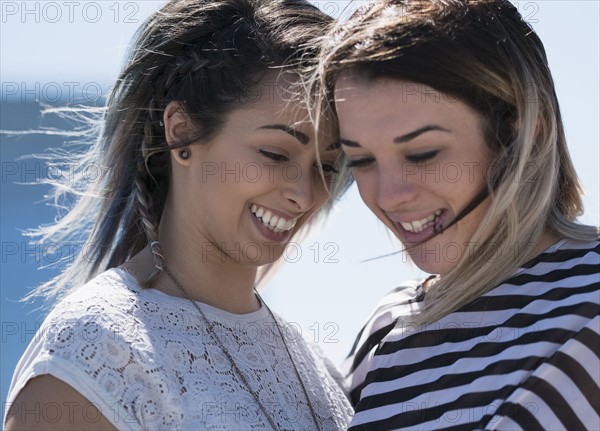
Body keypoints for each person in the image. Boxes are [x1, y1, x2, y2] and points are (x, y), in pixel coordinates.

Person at [4, 1, 353, 430]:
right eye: (276, 154)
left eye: (327, 167)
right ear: (182, 131)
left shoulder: (318, 367)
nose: (304, 194)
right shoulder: (95, 351)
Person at [311, 0, 600, 429]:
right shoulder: (389, 326)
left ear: (522, 136)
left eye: (423, 153)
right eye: (362, 161)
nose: (390, 196)